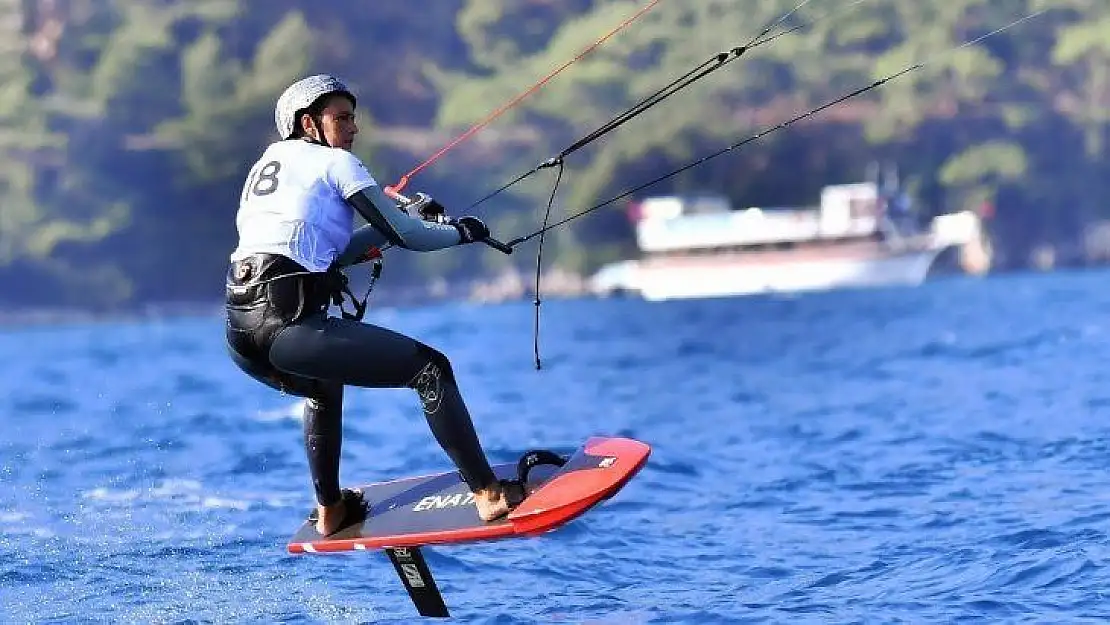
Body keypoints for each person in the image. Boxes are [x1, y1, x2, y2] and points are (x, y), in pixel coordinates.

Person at [224, 74, 521, 536]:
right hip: (288, 326)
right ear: (309, 123)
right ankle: (488, 494)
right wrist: (463, 232)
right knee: (431, 370)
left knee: (324, 386)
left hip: (242, 334)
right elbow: (412, 238)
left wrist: (398, 223)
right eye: (341, 118)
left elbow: (330, 253)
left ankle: (332, 509)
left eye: (353, 118)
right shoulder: (336, 164)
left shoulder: (272, 163)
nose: (353, 128)